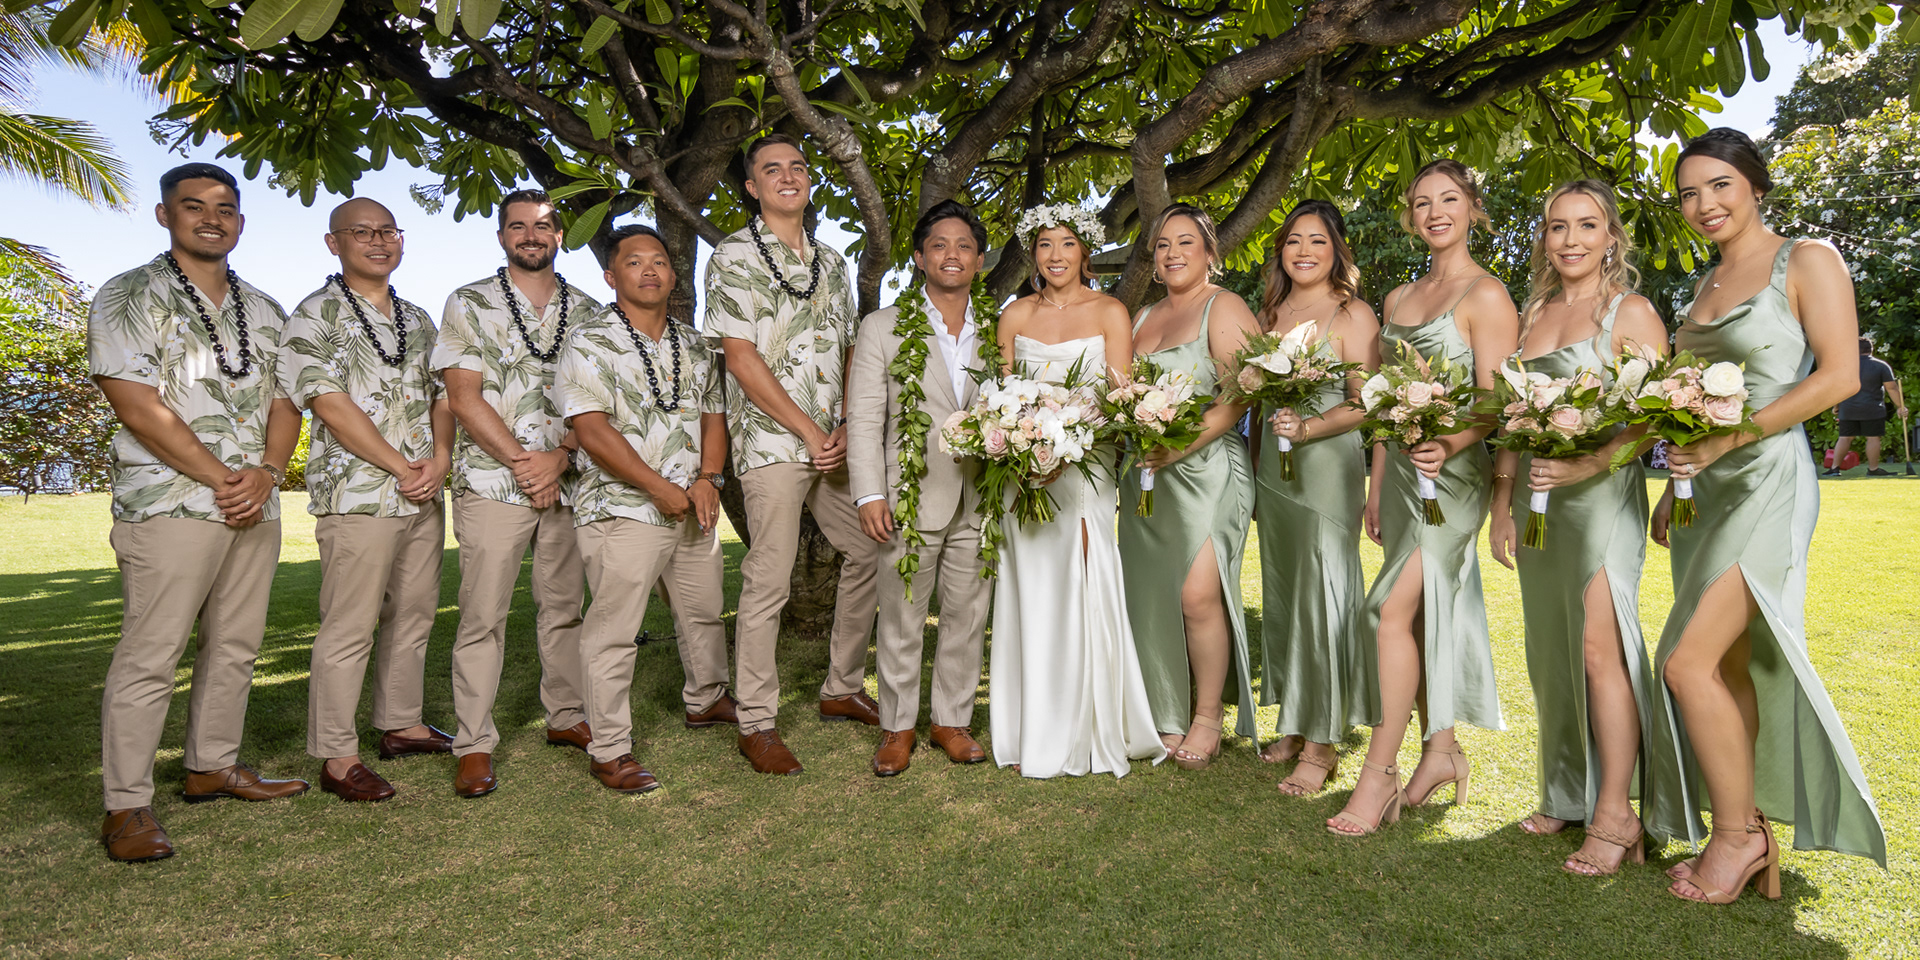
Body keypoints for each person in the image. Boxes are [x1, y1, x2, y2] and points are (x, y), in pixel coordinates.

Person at [1648, 128, 1887, 904]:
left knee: (1684, 663)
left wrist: (1730, 441)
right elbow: (1690, 406)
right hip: (1707, 492)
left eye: (1719, 184)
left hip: (1768, 480)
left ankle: (1736, 839)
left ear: (1755, 184)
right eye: (1689, 193)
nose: (1703, 204)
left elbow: (1839, 376)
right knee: (1727, 666)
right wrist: (1675, 486)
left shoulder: (1807, 260)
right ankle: (1745, 826)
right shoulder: (1705, 285)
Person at [87, 162, 308, 861]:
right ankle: (126, 805)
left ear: (240, 221)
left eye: (225, 208)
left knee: (236, 644)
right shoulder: (128, 294)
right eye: (194, 206)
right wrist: (223, 478)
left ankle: (212, 766)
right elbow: (137, 405)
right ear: (165, 215)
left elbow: (287, 401)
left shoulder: (266, 309)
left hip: (254, 502)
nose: (212, 219)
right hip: (170, 503)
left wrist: (267, 472)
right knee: (152, 653)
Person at [1328, 159, 1518, 837]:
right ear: (1411, 216)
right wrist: (1377, 485)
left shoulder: (1488, 295)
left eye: (1449, 199)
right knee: (1418, 616)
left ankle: (1377, 773)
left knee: (1388, 611)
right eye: (1422, 202)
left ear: (1473, 208)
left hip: (1454, 480)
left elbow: (1499, 402)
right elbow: (1385, 406)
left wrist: (1453, 443)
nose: (1435, 212)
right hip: (1404, 480)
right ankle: (1441, 752)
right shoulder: (1398, 299)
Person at [1486, 181, 1665, 875]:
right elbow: (1512, 418)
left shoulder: (1631, 312)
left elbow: (1655, 418)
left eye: (1587, 226)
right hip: (1539, 506)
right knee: (1551, 650)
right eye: (1557, 227)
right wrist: (1501, 501)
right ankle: (1565, 792)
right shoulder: (1532, 315)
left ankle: (1618, 813)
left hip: (1601, 502)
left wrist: (1590, 462)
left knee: (1597, 650)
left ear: (1611, 237)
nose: (1571, 240)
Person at [705, 134, 881, 775]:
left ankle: (841, 686)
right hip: (774, 440)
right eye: (772, 169)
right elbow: (740, 357)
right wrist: (808, 430)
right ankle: (756, 720)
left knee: (871, 549)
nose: (788, 176)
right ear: (752, 186)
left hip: (834, 441)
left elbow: (850, 348)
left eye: (798, 167)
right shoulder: (730, 255)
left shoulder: (832, 261)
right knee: (769, 577)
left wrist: (846, 423)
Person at [283, 198, 453, 802]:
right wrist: (400, 465)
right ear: (335, 243)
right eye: (362, 232)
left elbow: (444, 395)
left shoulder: (419, 319)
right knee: (349, 626)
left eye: (388, 231)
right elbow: (328, 402)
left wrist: (440, 460)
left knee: (414, 613)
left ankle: (402, 725)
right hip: (358, 494)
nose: (379, 241)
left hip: (423, 492)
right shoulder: (313, 314)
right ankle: (337, 755)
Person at [432, 189, 599, 797]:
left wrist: (560, 458)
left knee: (565, 609)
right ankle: (474, 742)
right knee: (483, 616)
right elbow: (462, 395)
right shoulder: (469, 301)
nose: (532, 235)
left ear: (560, 235)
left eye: (544, 225)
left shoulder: (590, 311)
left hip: (569, 481)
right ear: (502, 236)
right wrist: (526, 465)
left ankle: (567, 715)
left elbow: (601, 401)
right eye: (519, 226)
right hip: (491, 483)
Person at [556, 223, 732, 795]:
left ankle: (707, 699)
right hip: (622, 507)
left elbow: (712, 416)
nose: (649, 269)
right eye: (634, 262)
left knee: (702, 612)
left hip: (693, 504)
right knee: (613, 631)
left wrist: (708, 479)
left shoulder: (695, 344)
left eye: (658, 260)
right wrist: (658, 487)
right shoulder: (588, 341)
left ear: (673, 274)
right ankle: (610, 748)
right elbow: (590, 429)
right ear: (611, 277)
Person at [989, 206, 1163, 779]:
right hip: (1024, 473)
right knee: (1031, 582)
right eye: (1045, 244)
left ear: (1085, 250)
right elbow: (1000, 399)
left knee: (1085, 575)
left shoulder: (1111, 311)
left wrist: (1067, 447)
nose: (1056, 255)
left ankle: (1088, 725)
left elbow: (1119, 400)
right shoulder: (1014, 315)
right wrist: (1025, 450)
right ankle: (1031, 726)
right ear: (1032, 253)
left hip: (1088, 469)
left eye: (1067, 243)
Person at [846, 201, 996, 776]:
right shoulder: (883, 326)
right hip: (906, 496)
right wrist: (869, 494)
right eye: (939, 245)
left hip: (980, 497)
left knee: (967, 615)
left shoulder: (1000, 330)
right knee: (901, 618)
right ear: (918, 257)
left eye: (964, 246)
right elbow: (865, 418)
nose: (951, 255)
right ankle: (897, 726)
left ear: (978, 261)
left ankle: (951, 721)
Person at [1118, 204, 1262, 770]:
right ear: (1153, 260)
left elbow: (1242, 394)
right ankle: (1164, 710)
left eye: (1185, 242)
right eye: (1162, 245)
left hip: (1207, 470)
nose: (1173, 253)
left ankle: (1207, 715)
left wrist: (1179, 446)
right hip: (1146, 476)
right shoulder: (1140, 318)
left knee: (1198, 595)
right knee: (1152, 592)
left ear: (1209, 252)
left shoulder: (1223, 306)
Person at [1251, 200, 1380, 795]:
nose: (1303, 251)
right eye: (1293, 240)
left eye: (1317, 241)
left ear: (1337, 250)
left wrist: (1307, 428)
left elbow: (1365, 401)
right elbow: (1254, 396)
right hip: (1274, 471)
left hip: (1326, 466)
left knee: (1323, 591)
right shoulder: (1269, 312)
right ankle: (1296, 721)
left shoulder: (1353, 313)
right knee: (1284, 590)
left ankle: (1324, 741)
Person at [1825, 337, 1906, 476]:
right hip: (1872, 409)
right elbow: (1892, 388)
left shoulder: (1845, 366)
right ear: (1871, 349)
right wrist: (1900, 406)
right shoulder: (1881, 366)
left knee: (1845, 438)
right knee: (1873, 438)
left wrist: (1836, 406)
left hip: (1848, 408)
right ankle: (1873, 469)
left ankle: (1834, 468)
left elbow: (1839, 388)